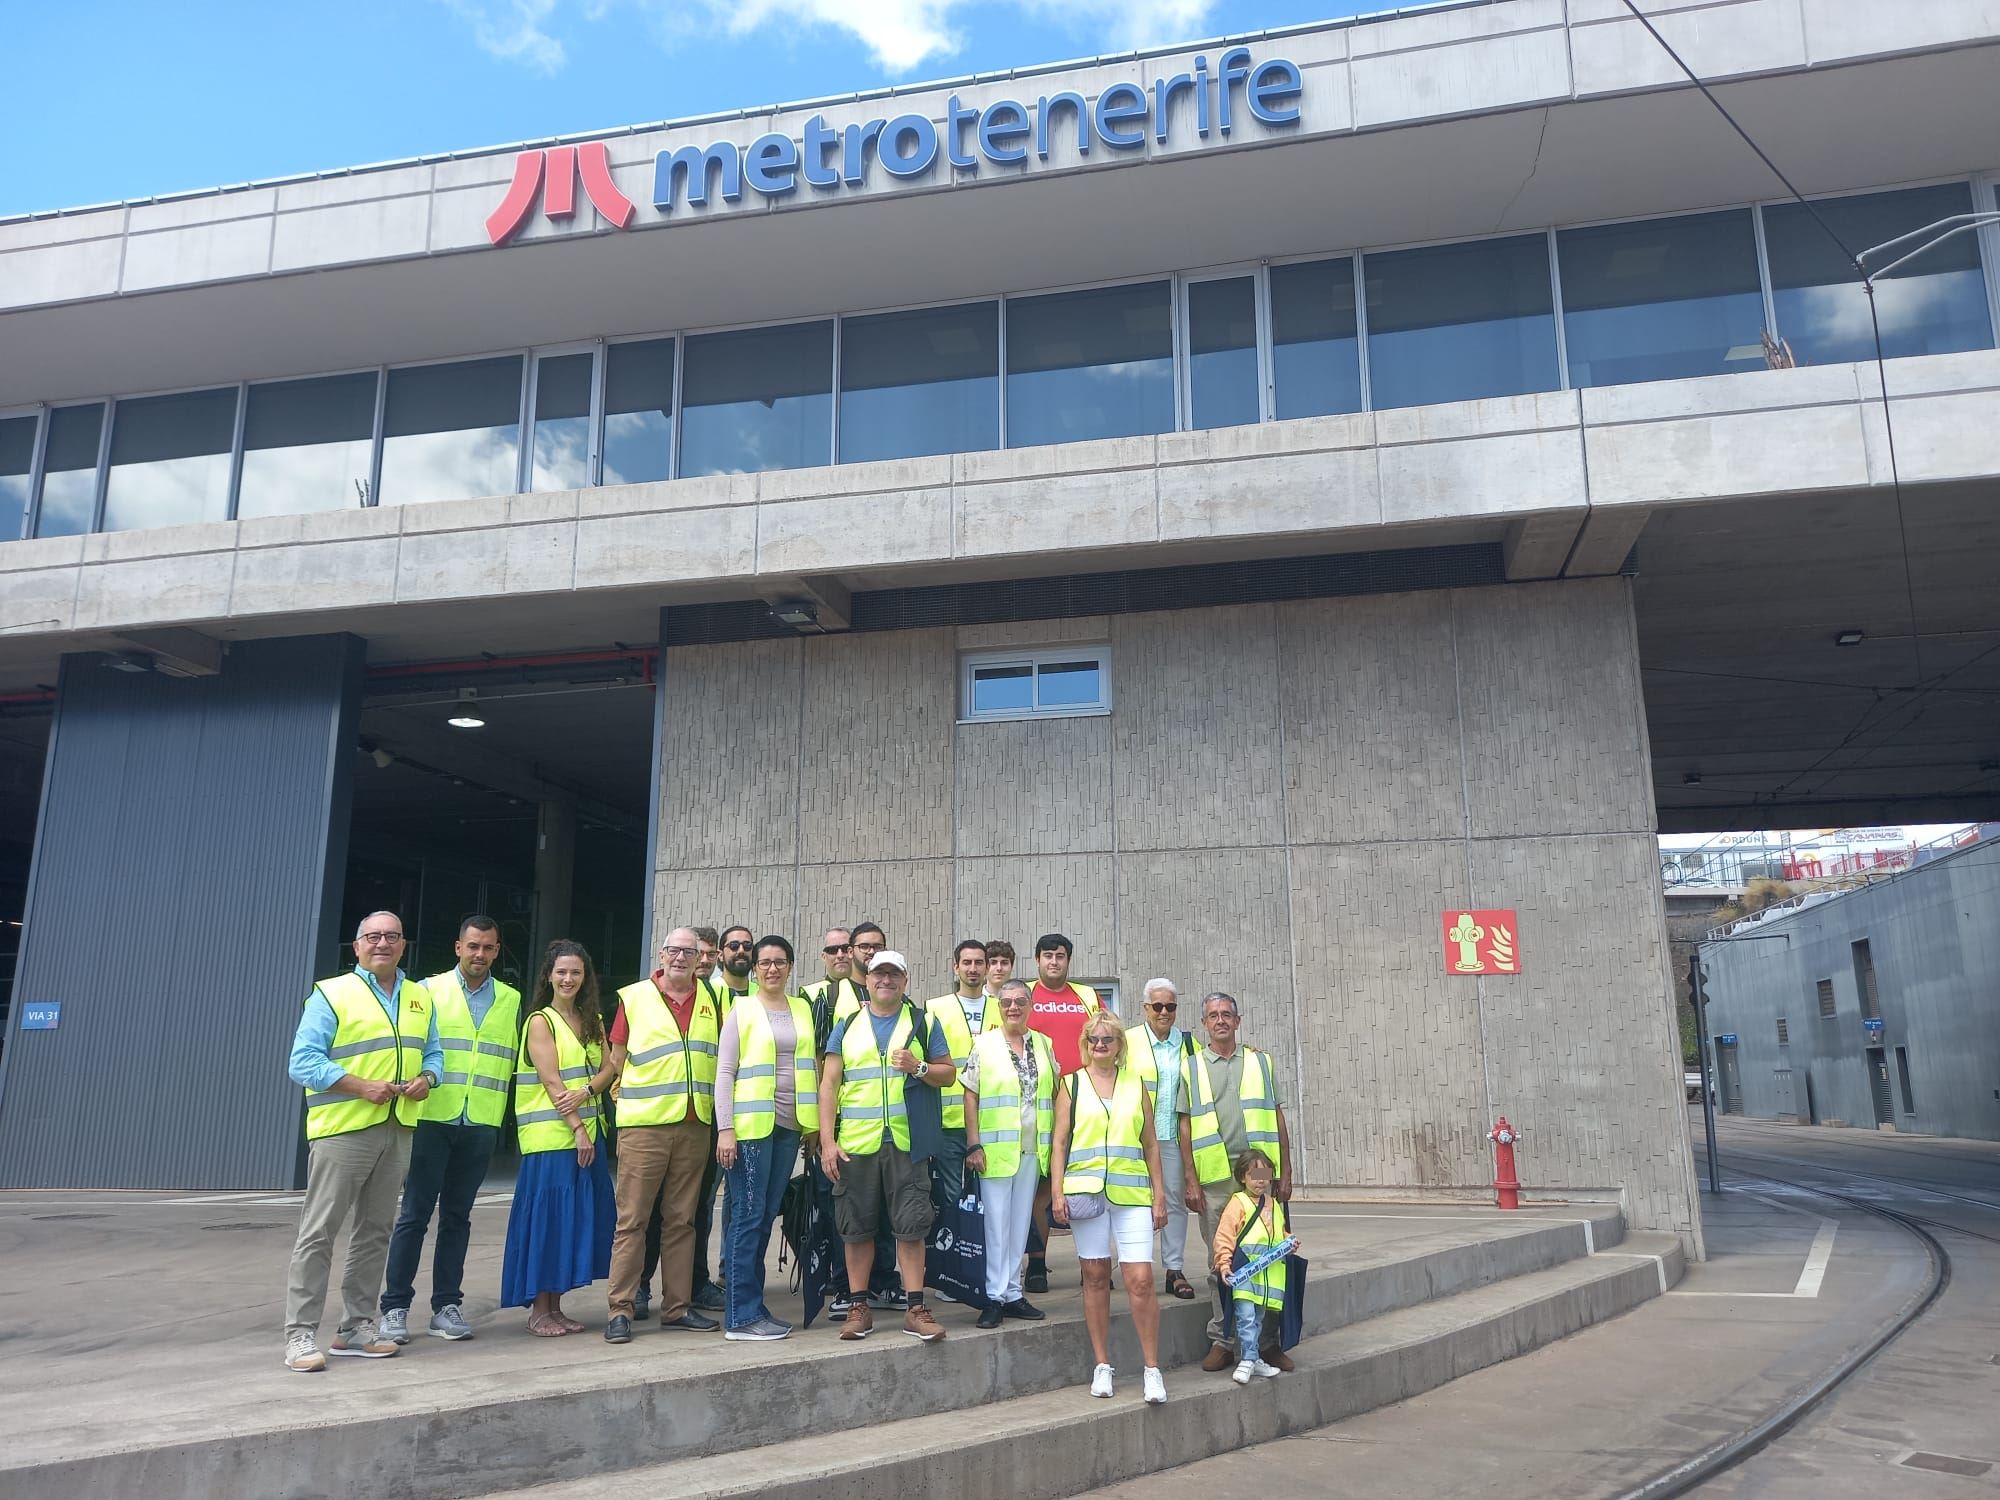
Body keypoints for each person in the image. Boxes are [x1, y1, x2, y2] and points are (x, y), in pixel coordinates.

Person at [283, 910, 444, 1372]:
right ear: (356, 947)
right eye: (372, 936)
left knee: (375, 1233)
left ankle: (356, 1327)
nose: (382, 944)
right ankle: (299, 1335)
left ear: (403, 945)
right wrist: (360, 1086)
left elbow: (434, 1051)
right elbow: (302, 1062)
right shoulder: (331, 994)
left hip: (397, 1128)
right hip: (344, 1130)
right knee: (319, 1233)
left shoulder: (418, 997)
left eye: (391, 937)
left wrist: (428, 1077)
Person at [377, 915, 520, 1344]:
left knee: (458, 1218)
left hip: (480, 1121)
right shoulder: (427, 991)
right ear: (458, 947)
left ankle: (446, 1306)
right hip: (432, 1118)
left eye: (488, 948)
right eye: (473, 946)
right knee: (414, 1215)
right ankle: (395, 1307)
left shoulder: (510, 999)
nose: (480, 954)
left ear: (497, 951)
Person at [817, 949, 955, 1343]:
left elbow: (948, 1075)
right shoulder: (847, 1024)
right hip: (856, 1145)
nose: (885, 981)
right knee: (856, 1228)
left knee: (912, 1226)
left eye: (894, 975)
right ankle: (859, 1307)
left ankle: (915, 1308)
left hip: (907, 1143)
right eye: (879, 974)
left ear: (905, 981)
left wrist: (919, 1067)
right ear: (869, 979)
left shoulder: (923, 1023)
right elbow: (828, 1086)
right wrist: (828, 1142)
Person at [604, 927, 723, 1344]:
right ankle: (620, 1308)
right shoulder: (634, 998)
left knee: (682, 1222)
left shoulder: (713, 998)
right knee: (632, 1221)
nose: (680, 958)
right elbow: (615, 1059)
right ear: (661, 954)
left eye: (688, 952)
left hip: (694, 1126)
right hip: (644, 1127)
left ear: (700, 958)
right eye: (673, 951)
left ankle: (677, 1307)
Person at [1048, 1010, 1168, 1405]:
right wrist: (1056, 1193)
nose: (1101, 1045)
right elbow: (1060, 1143)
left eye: (1109, 1040)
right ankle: (1102, 1365)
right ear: (1086, 1044)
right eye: (1095, 1039)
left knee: (1141, 1280)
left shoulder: (1137, 1084)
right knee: (1095, 1276)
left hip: (1131, 1195)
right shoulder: (1071, 1085)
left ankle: (1152, 1369)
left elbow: (1151, 1144)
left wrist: (1160, 1194)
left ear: (1119, 1046)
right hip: (1086, 1194)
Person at [500, 940, 617, 1335]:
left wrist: (588, 1091)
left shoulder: (593, 1019)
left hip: (586, 1137)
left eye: (576, 972)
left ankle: (555, 1307)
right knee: (548, 1222)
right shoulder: (540, 1021)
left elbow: (609, 1068)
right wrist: (580, 1130)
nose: (568, 979)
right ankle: (538, 1310)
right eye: (562, 972)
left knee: (569, 1223)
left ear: (586, 978)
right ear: (549, 975)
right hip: (553, 1140)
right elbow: (552, 1082)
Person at [1179, 991, 1295, 1374]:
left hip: (1259, 1174)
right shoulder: (1192, 1066)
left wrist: (1285, 1172)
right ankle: (1223, 1340)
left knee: (1271, 1258)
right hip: (1214, 1176)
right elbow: (1184, 1125)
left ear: (1238, 1020)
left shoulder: (1261, 1062)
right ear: (1204, 1023)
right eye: (1213, 1015)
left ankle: (1267, 1343)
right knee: (1221, 1261)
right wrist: (1191, 1180)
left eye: (1227, 1014)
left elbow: (1276, 1117)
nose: (1220, 1021)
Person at [714, 934, 817, 1341]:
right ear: (754, 968)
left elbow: (807, 1067)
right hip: (751, 1129)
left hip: (790, 1127)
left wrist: (810, 1128)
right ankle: (741, 1316)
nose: (772, 968)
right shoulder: (741, 1010)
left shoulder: (802, 1010)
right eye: (765, 962)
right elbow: (725, 1073)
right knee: (748, 1217)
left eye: (780, 961)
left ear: (790, 966)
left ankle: (752, 1306)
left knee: (764, 1216)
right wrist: (726, 1129)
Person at [961, 979, 1054, 1329]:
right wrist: (974, 1143)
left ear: (1030, 1005)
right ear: (998, 1008)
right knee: (995, 1227)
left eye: (1020, 1001)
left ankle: (1013, 1293)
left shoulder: (1044, 1044)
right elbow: (971, 1094)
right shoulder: (983, 1045)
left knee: (1018, 1226)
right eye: (1006, 1003)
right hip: (995, 1151)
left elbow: (1054, 1093)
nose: (1013, 1007)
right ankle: (992, 1296)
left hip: (1031, 1149)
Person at [1024, 931, 1109, 1294]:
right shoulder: (1023, 995)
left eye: (1060, 956)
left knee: (1090, 1184)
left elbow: (1109, 1035)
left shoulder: (1087, 996)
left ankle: (1092, 1267)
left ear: (1068, 960)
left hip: (1084, 1100)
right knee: (1043, 1188)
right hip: (1039, 1103)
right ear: (1038, 960)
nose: (1053, 962)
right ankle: (1037, 1265)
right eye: (1047, 956)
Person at [1127, 977, 1197, 1301]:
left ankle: (1174, 1270)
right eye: (1157, 1006)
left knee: (1173, 1203)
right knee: (1132, 1203)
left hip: (1171, 1138)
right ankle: (1136, 1268)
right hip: (1134, 1137)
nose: (1164, 1012)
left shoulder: (1188, 1045)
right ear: (1146, 1008)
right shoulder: (1128, 1041)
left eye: (1170, 1006)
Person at [926, 939, 998, 1209]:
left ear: (987, 968)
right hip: (949, 1122)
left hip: (991, 1121)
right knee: (953, 1200)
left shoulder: (1002, 1008)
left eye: (979, 962)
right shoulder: (935, 1009)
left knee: (989, 1202)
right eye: (966, 962)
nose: (973, 968)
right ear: (955, 967)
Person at [1212, 1149, 1292, 1385]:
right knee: (1246, 1317)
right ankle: (1247, 1359)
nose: (1260, 1180)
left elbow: (1277, 1232)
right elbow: (1225, 1235)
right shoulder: (1237, 1203)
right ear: (1242, 1177)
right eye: (1254, 1175)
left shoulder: (1274, 1204)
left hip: (1267, 1275)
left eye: (1265, 1175)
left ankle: (1253, 1358)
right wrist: (1223, 1263)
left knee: (1257, 1319)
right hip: (1245, 1271)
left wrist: (1289, 1241)